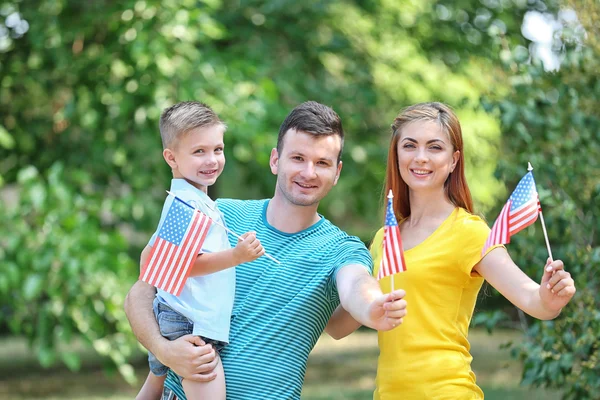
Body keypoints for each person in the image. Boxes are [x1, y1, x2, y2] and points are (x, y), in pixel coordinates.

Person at [124, 101, 409, 400]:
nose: (308, 172)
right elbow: (143, 290)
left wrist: (373, 306)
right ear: (275, 160)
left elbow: (356, 286)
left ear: (336, 172)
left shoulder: (340, 248)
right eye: (297, 158)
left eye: (322, 163)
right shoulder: (218, 215)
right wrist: (164, 350)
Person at [328, 101, 577, 399]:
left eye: (435, 147)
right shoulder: (384, 239)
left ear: (454, 159)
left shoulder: (468, 231)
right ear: (396, 154)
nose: (421, 158)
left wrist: (550, 297)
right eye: (410, 146)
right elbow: (338, 326)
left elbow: (533, 299)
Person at [137, 101, 265, 400]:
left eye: (217, 150)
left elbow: (154, 256)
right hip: (190, 322)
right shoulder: (185, 205)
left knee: (153, 388)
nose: (212, 160)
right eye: (199, 152)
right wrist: (237, 256)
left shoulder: (194, 200)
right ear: (172, 158)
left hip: (183, 316)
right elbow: (179, 264)